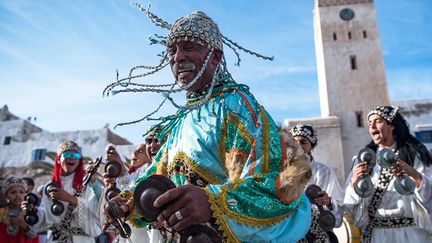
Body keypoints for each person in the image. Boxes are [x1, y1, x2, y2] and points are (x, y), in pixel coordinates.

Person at [104, 6, 312, 242]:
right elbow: (158, 175)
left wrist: (212, 201)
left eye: (189, 47)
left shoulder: (237, 107)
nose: (178, 57)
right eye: (172, 50)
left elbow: (272, 183)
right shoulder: (182, 121)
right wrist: (130, 201)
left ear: (215, 56)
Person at [344, 106, 432, 242]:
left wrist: (414, 175)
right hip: (376, 235)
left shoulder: (413, 155)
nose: (372, 126)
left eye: (378, 121)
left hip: (411, 234)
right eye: (369, 123)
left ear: (392, 126)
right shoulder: (363, 159)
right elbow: (349, 205)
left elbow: (429, 196)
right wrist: (354, 183)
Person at [24, 141, 102, 243]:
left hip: (81, 239)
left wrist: (72, 200)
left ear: (79, 160)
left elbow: (95, 212)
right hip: (56, 239)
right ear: (58, 160)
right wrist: (33, 211)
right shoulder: (50, 187)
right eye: (67, 154)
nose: (72, 157)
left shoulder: (87, 183)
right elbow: (46, 219)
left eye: (76, 155)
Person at [290, 124, 344, 243]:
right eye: (295, 142)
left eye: (303, 142)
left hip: (318, 235)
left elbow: (339, 211)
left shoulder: (324, 172)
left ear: (312, 147)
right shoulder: (280, 173)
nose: (298, 146)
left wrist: (328, 202)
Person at [0, 175, 39, 243]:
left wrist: (24, 225)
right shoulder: (2, 212)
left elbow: (34, 235)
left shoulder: (30, 212)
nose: (18, 195)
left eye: (21, 192)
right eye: (13, 192)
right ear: (5, 195)